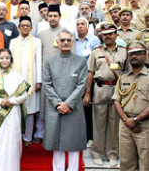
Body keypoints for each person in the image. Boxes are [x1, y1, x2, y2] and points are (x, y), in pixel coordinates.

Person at [41, 29, 88, 171]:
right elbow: (47, 84)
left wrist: (68, 104)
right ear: (57, 42)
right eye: (62, 40)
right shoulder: (49, 62)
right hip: (55, 108)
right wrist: (58, 103)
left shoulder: (80, 62)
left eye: (68, 40)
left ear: (73, 42)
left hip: (74, 109)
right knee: (57, 143)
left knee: (73, 144)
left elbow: (82, 85)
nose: (65, 42)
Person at [84, 23, 128, 167]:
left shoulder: (123, 51)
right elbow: (90, 74)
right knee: (98, 122)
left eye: (111, 33)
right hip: (100, 88)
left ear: (116, 34)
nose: (108, 36)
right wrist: (88, 94)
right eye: (105, 34)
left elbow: (127, 75)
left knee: (114, 123)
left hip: (117, 89)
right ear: (101, 35)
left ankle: (112, 154)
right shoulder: (96, 52)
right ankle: (97, 153)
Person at [0, 48, 30, 171]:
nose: (4, 60)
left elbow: (25, 96)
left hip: (13, 114)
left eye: (7, 57)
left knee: (11, 143)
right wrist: (0, 101)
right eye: (2, 57)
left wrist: (10, 101)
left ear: (11, 60)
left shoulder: (17, 77)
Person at [112, 40, 148, 171]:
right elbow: (116, 100)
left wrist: (136, 120)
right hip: (126, 125)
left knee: (146, 162)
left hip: (144, 126)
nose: (134, 56)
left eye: (138, 53)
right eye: (131, 54)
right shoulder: (123, 78)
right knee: (126, 164)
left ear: (146, 55)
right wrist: (127, 121)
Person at [9, 16, 42, 146]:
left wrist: (38, 81)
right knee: (16, 109)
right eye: (22, 25)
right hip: (16, 80)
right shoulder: (13, 42)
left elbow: (38, 61)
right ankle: (17, 136)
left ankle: (27, 137)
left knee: (29, 110)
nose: (25, 27)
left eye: (27, 25)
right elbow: (10, 63)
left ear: (31, 28)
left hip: (31, 80)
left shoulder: (37, 42)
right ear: (18, 27)